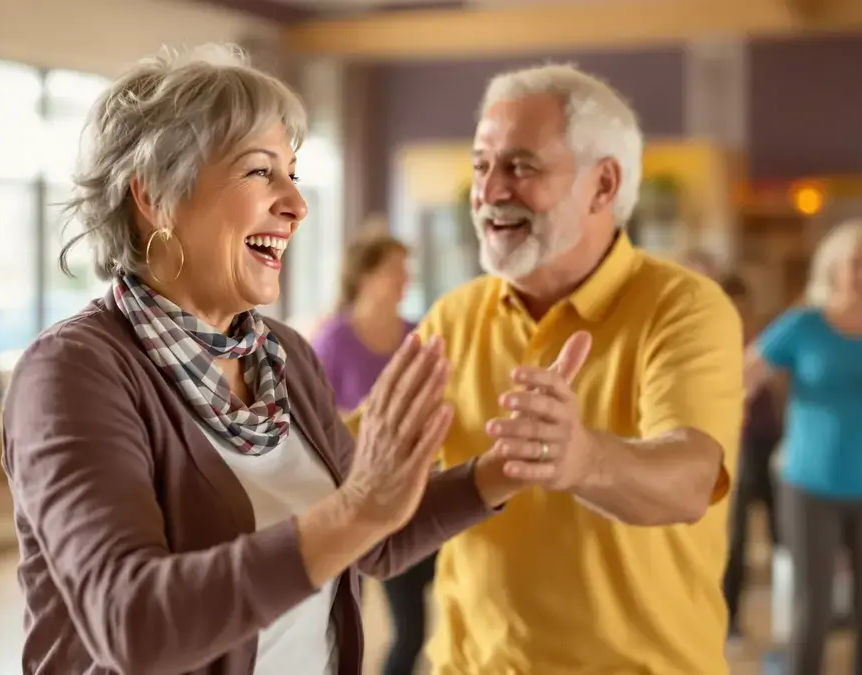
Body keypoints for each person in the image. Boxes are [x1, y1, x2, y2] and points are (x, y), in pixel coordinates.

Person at [0, 45, 547, 675]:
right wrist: (356, 510)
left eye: (292, 172)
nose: (296, 203)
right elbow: (132, 622)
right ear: (153, 197)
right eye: (261, 173)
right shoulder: (74, 373)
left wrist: (502, 469)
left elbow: (373, 535)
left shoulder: (280, 354)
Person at [346, 63, 745, 674]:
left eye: (521, 166)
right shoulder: (455, 316)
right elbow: (366, 447)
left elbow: (692, 478)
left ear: (602, 185)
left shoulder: (684, 308)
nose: (490, 191)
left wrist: (583, 458)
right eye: (482, 166)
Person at [745, 218, 862, 675]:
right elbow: (746, 370)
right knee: (814, 612)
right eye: (855, 264)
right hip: (810, 486)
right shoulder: (805, 323)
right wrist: (743, 387)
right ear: (833, 268)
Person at [311, 233, 433, 675]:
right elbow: (312, 423)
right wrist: (365, 420)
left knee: (412, 629)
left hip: (407, 500)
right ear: (365, 276)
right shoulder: (333, 341)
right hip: (349, 499)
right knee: (344, 629)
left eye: (406, 270)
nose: (405, 279)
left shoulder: (418, 336)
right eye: (394, 270)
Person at [719, 273, 782, 646]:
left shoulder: (762, 340)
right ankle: (731, 622)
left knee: (782, 533)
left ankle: (792, 612)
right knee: (735, 536)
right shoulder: (711, 341)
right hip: (733, 448)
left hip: (766, 442)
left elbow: (775, 390)